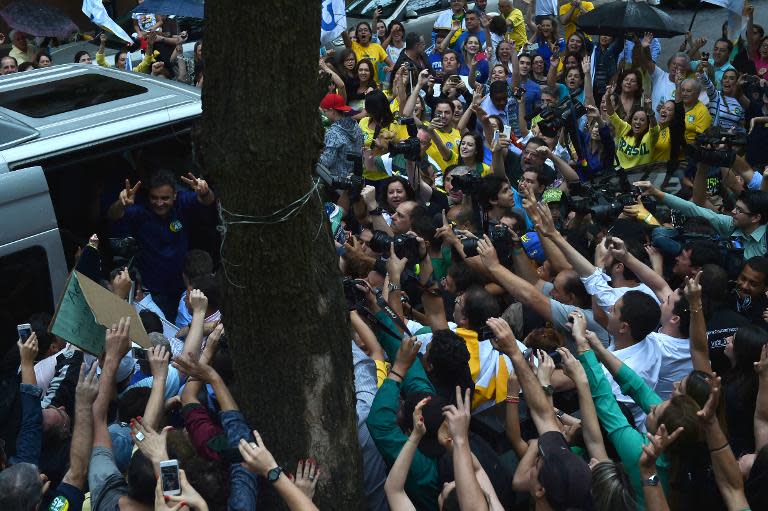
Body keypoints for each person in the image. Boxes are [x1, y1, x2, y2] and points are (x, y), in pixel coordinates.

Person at [106, 171, 217, 319]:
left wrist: (205, 192)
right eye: (154, 198)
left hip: (184, 286)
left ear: (175, 195)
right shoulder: (141, 212)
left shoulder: (182, 202)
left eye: (165, 198)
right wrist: (121, 203)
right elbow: (113, 215)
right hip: (155, 290)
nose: (159, 203)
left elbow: (208, 201)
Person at [318, 92, 365, 181]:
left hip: (338, 183)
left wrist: (315, 155)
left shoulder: (333, 133)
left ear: (332, 111)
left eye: (325, 111)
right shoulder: (356, 125)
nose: (324, 114)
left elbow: (326, 162)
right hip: (355, 179)